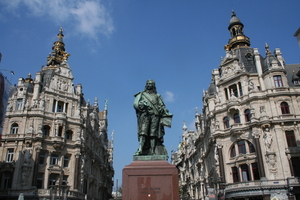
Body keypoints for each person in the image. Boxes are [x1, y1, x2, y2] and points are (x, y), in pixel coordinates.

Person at [134, 79, 172, 155]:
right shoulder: (141, 94)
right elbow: (136, 104)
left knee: (153, 134)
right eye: (148, 83)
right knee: (143, 132)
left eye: (151, 84)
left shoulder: (158, 96)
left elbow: (162, 106)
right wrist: (142, 105)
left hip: (155, 116)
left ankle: (153, 151)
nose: (149, 85)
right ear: (146, 85)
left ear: (153, 86)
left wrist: (163, 110)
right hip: (145, 116)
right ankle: (141, 149)